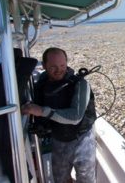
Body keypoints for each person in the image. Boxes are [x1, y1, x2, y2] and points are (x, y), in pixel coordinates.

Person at [22, 47, 97, 183]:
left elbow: (75, 117)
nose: (59, 70)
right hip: (59, 138)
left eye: (62, 65)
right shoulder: (42, 85)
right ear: (44, 66)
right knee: (60, 177)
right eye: (53, 67)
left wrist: (41, 111)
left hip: (83, 138)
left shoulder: (81, 84)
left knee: (86, 177)